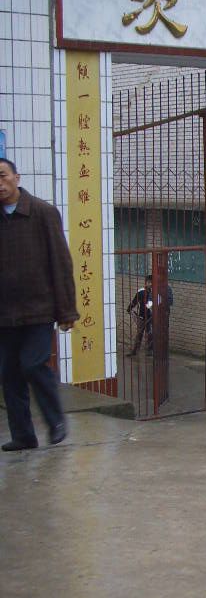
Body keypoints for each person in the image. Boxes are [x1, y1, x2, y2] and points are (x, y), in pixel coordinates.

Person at [0, 157, 78, 451]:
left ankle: (56, 421)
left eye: (3, 175)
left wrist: (67, 310)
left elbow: (61, 262)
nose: (0, 183)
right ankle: (23, 435)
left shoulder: (43, 212)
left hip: (38, 310)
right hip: (4, 314)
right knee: (9, 375)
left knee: (33, 364)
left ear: (16, 177)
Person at [127, 274, 153, 356]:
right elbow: (134, 301)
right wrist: (129, 308)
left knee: (150, 334)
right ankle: (135, 350)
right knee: (139, 334)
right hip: (141, 317)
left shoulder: (154, 292)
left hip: (150, 317)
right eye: (149, 282)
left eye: (152, 282)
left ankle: (150, 351)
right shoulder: (141, 292)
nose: (151, 284)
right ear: (146, 283)